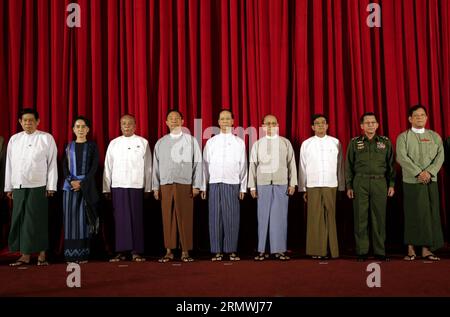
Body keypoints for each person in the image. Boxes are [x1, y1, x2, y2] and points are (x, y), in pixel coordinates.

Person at [5, 108, 57, 266]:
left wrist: (51, 186)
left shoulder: (46, 138)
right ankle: (25, 255)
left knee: (37, 219)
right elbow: (9, 164)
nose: (28, 123)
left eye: (31, 120)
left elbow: (52, 164)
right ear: (20, 122)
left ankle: (42, 254)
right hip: (19, 185)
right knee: (20, 219)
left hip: (38, 185)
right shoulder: (14, 139)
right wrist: (9, 187)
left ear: (38, 121)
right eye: (25, 120)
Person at [152, 109, 202, 263]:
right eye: (170, 118)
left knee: (185, 217)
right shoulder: (161, 142)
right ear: (166, 122)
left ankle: (185, 251)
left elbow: (198, 164)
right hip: (165, 184)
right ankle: (169, 250)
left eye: (176, 118)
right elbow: (155, 166)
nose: (173, 120)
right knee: (167, 217)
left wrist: (197, 185)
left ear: (182, 121)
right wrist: (155, 187)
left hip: (185, 184)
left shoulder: (191, 140)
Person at [396, 105, 444, 261]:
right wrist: (418, 172)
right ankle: (410, 248)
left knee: (430, 214)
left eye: (422, 115)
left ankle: (426, 249)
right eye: (416, 115)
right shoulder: (403, 137)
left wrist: (429, 172)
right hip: (412, 181)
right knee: (412, 214)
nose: (419, 118)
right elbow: (402, 157)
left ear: (427, 118)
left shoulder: (435, 136)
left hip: (431, 180)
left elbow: (440, 157)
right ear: (410, 118)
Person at [345, 112, 395, 262]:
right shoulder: (354, 142)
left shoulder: (385, 142)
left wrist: (391, 184)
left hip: (380, 182)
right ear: (362, 126)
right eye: (367, 123)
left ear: (377, 125)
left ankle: (380, 251)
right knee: (361, 218)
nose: (371, 125)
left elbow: (391, 165)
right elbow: (348, 165)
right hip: (360, 182)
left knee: (379, 218)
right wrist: (349, 185)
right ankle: (362, 251)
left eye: (373, 122)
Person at [103, 114, 152, 262]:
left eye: (130, 123)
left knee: (136, 218)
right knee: (120, 219)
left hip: (136, 185)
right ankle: (121, 251)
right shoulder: (114, 143)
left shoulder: (143, 142)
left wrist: (148, 188)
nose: (127, 126)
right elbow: (107, 167)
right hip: (118, 185)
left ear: (135, 125)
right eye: (123, 123)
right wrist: (106, 188)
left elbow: (148, 167)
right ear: (120, 125)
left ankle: (136, 251)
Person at [248, 115, 297, 261]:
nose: (270, 126)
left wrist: (292, 183)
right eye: (267, 123)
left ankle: (279, 250)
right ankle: (262, 250)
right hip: (262, 184)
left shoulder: (285, 143)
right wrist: (252, 186)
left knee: (280, 218)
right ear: (263, 126)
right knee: (263, 218)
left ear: (278, 125)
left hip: (281, 183)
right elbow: (252, 166)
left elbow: (291, 164)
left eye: (273, 123)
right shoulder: (257, 144)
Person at [201, 109, 247, 261]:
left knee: (232, 216)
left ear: (233, 122)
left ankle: (231, 250)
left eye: (228, 119)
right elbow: (205, 165)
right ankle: (217, 251)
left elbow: (243, 166)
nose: (225, 121)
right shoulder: (211, 142)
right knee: (215, 217)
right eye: (222, 119)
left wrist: (242, 187)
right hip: (214, 183)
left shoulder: (239, 142)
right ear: (218, 122)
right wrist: (203, 186)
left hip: (232, 182)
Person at [299, 114, 344, 259]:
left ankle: (332, 251)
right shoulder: (306, 144)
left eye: (323, 123)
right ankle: (317, 251)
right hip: (313, 185)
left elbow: (340, 167)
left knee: (331, 217)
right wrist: (303, 188)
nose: (320, 125)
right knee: (315, 219)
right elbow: (302, 167)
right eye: (317, 123)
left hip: (331, 184)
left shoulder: (335, 142)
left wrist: (341, 186)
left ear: (327, 125)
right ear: (312, 127)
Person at [62, 116, 100, 264]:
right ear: (73, 129)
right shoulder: (68, 146)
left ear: (88, 129)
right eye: (77, 126)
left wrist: (82, 183)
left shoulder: (92, 146)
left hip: (87, 186)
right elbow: (64, 166)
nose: (80, 129)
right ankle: (71, 255)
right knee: (70, 220)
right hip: (69, 187)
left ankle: (83, 254)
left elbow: (94, 167)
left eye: (83, 127)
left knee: (84, 220)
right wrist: (71, 181)